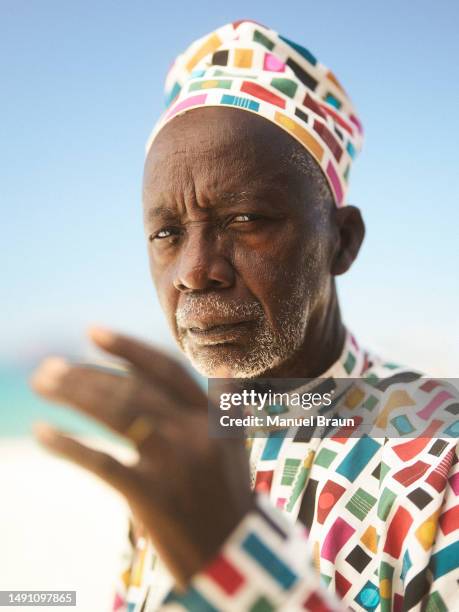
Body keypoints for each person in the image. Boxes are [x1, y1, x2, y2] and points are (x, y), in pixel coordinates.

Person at [31, 20, 458, 612]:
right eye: (166, 232)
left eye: (245, 219)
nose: (194, 269)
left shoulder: (439, 464)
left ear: (343, 241)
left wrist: (233, 566)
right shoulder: (179, 448)